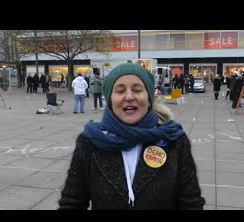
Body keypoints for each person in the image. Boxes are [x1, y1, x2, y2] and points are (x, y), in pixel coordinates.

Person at [58, 63, 205, 210]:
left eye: (137, 90)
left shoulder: (174, 141)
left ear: (148, 100)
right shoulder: (89, 142)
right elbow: (72, 202)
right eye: (120, 91)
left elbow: (191, 203)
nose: (129, 96)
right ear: (110, 101)